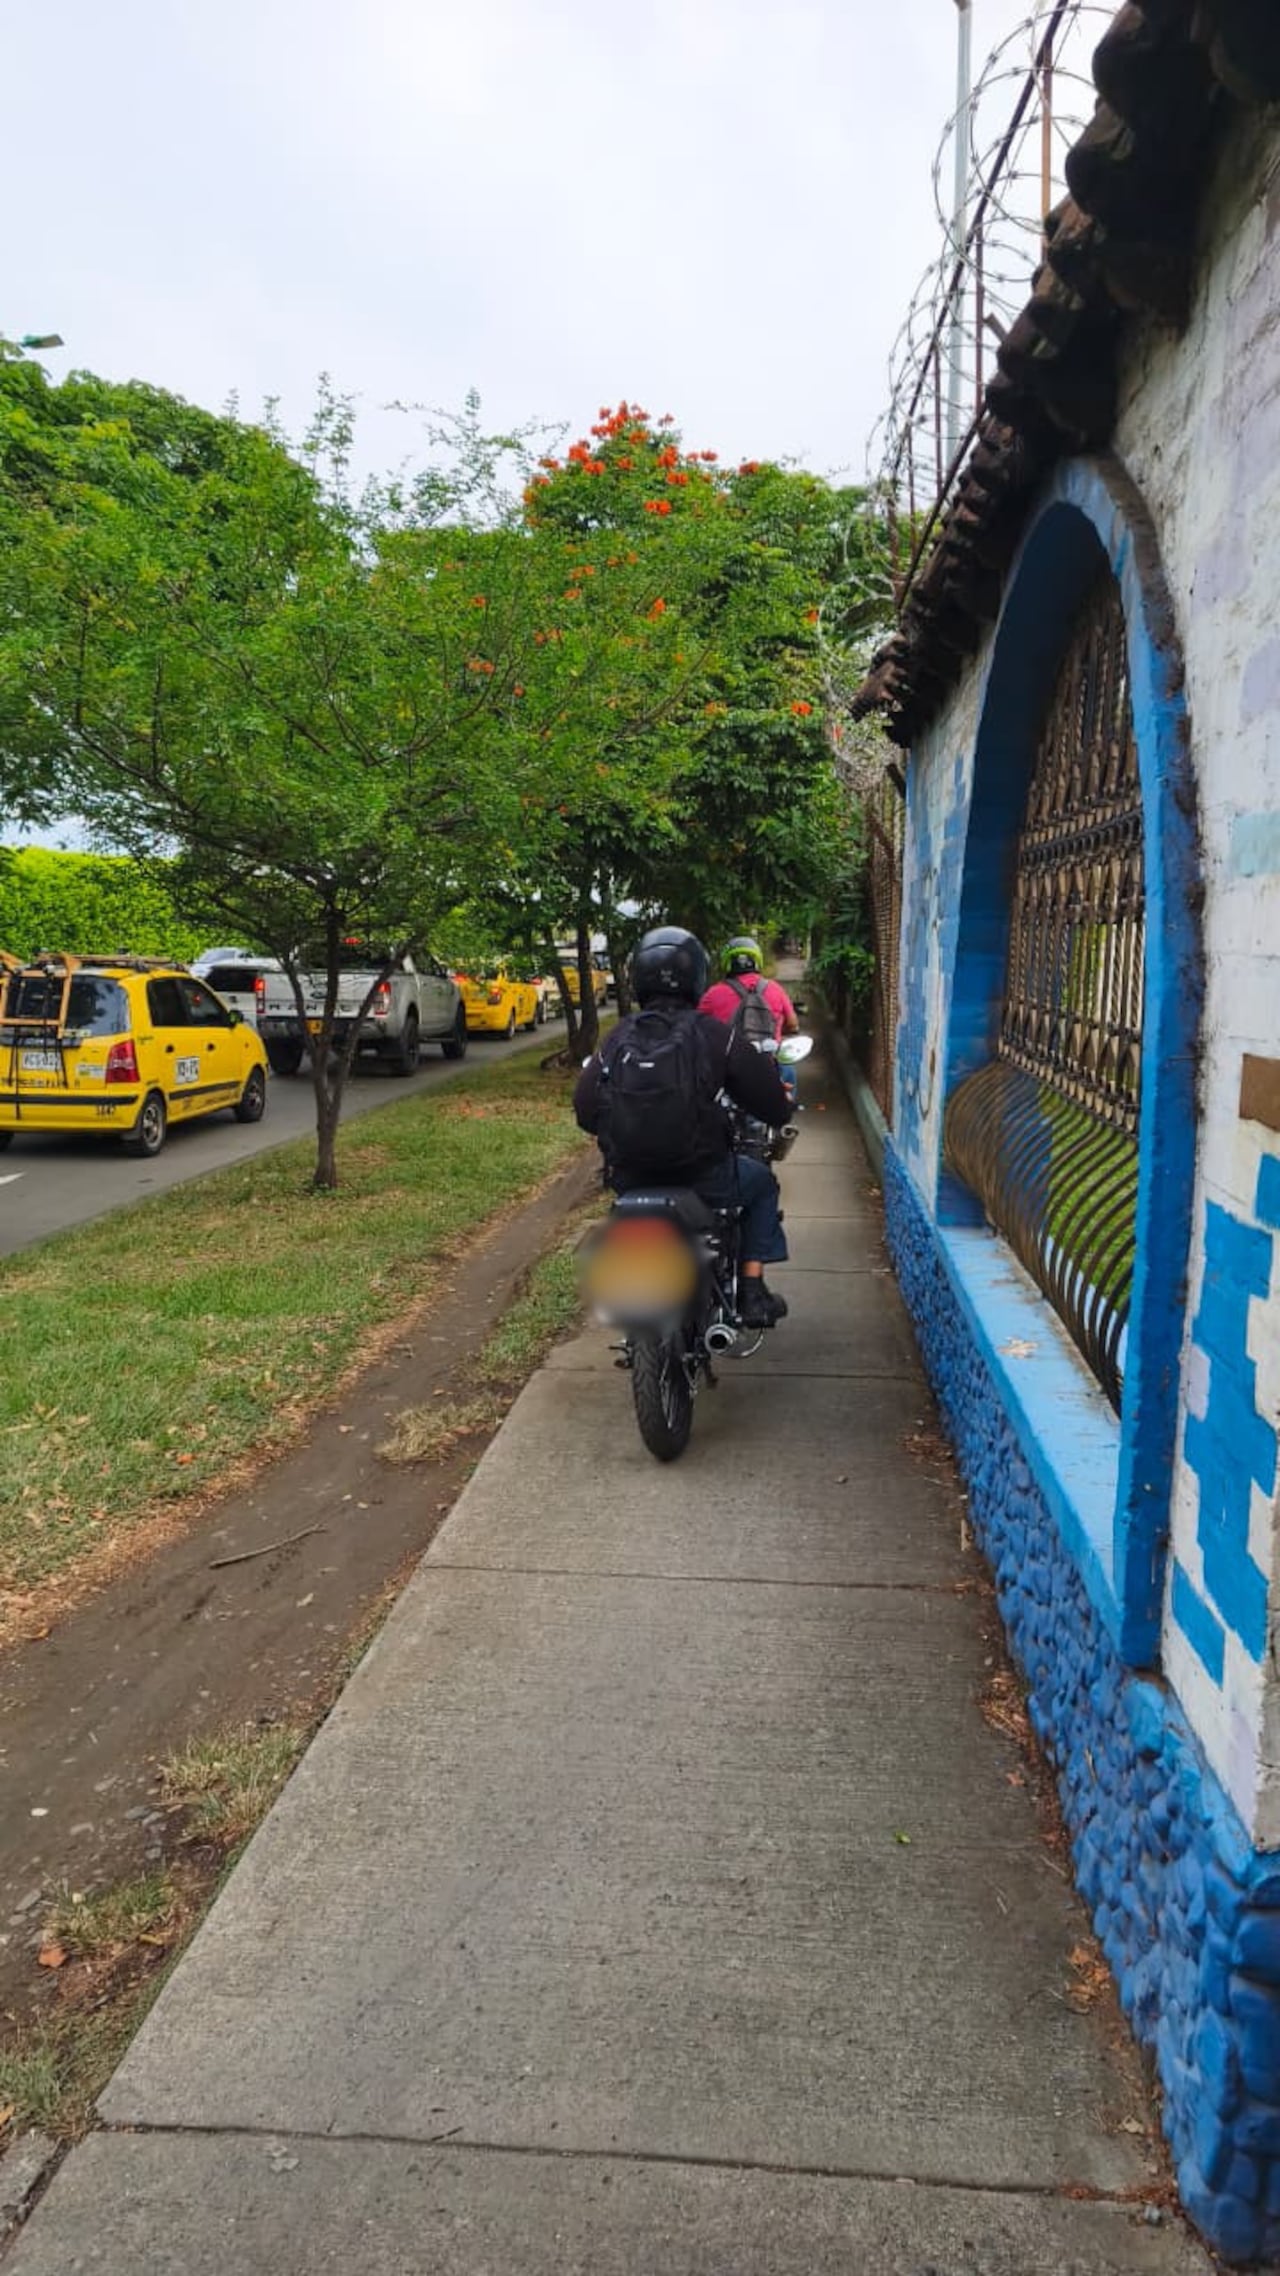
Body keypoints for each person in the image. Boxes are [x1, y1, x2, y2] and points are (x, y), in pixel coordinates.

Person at [574, 926, 792, 1329]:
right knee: (762, 1184)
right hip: (705, 1177)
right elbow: (773, 1108)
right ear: (697, 976)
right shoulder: (715, 1035)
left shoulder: (617, 1038)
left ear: (637, 978)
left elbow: (585, 1111)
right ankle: (751, 1291)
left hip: (632, 1180)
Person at [699, 937, 799, 1043]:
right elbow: (793, 1025)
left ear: (727, 961)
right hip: (767, 1051)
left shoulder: (713, 994)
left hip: (727, 1053)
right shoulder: (776, 989)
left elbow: (697, 1027)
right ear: (757, 960)